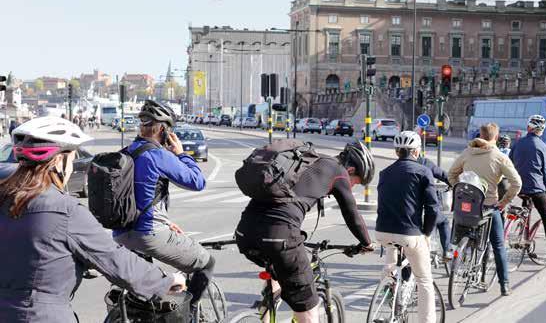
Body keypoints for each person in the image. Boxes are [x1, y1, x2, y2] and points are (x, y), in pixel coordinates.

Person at [0, 116, 185, 323]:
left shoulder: (5, 198)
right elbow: (116, 260)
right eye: (71, 158)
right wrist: (165, 281)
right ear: (59, 161)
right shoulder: (65, 210)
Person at [235, 141, 376, 323]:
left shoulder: (306, 162)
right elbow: (352, 214)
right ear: (351, 170)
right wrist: (366, 243)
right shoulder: (339, 172)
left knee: (281, 270)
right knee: (309, 310)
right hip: (280, 237)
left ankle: (265, 312)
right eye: (357, 182)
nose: (353, 187)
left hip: (244, 233)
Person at [112, 100, 213, 310]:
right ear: (162, 130)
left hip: (120, 234)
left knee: (145, 293)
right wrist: (181, 153)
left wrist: (166, 221)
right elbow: (197, 182)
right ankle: (188, 311)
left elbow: (138, 197)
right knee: (206, 263)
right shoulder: (158, 155)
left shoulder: (126, 152)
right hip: (149, 234)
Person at [448, 123, 522, 296]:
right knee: (498, 245)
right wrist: (504, 201)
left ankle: (463, 262)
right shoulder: (499, 156)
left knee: (462, 236)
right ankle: (504, 285)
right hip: (488, 207)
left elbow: (451, 174)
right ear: (496, 137)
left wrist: (460, 190)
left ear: (479, 135)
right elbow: (517, 183)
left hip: (466, 206)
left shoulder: (467, 152)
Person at [376, 131, 442, 323]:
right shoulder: (423, 172)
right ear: (416, 151)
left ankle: (388, 291)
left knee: (390, 265)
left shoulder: (385, 172)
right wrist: (427, 234)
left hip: (382, 231)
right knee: (424, 280)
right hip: (410, 233)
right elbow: (432, 209)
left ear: (397, 152)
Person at [510, 115, 546, 263]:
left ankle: (523, 238)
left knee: (526, 209)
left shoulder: (517, 144)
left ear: (528, 128)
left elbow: (509, 163)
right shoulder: (543, 147)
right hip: (536, 188)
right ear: (541, 131)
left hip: (519, 187)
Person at [416, 154, 452, 260]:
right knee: (443, 222)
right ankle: (447, 251)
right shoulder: (424, 163)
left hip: (402, 212)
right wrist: (453, 183)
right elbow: (442, 175)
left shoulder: (396, 167)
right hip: (422, 208)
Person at [497, 135, 512, 199]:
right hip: (505, 181)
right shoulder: (511, 152)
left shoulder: (493, 151)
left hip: (492, 180)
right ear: (508, 143)